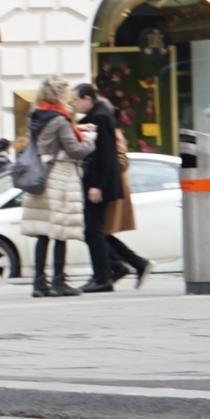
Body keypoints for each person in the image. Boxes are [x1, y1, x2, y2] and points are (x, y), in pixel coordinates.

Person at [19, 79, 93, 297]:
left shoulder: (36, 116)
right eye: (66, 94)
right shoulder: (61, 119)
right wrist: (90, 139)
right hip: (60, 176)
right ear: (59, 95)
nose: (69, 98)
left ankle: (39, 283)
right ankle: (59, 280)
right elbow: (75, 150)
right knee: (60, 230)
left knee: (44, 232)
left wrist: (76, 128)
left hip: (40, 176)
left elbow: (48, 139)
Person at [74, 83, 150, 289]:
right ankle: (127, 265)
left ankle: (103, 277)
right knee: (96, 231)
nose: (74, 104)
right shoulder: (93, 119)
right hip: (96, 182)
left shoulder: (101, 118)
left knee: (94, 231)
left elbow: (105, 155)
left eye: (76, 99)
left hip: (99, 184)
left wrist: (97, 185)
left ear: (88, 98)